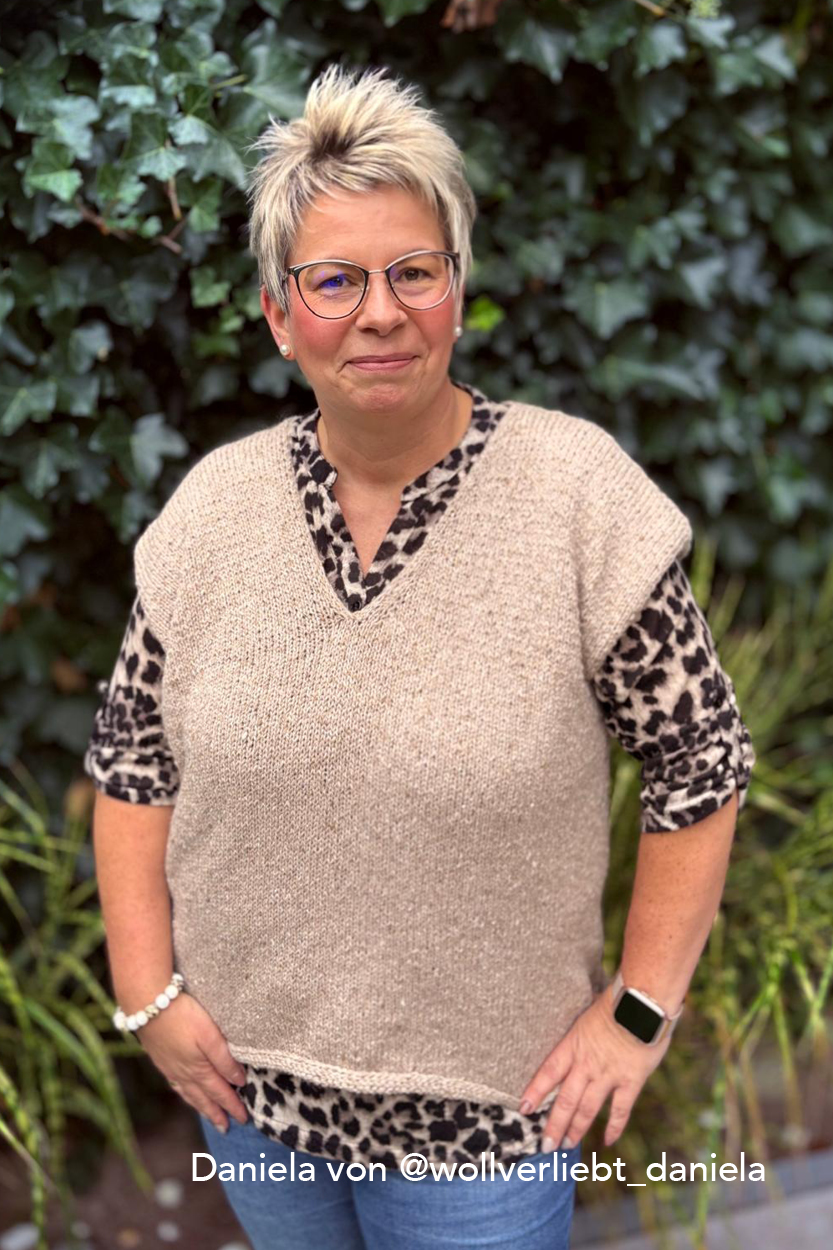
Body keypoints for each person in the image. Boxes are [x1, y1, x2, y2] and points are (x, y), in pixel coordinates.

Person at [85, 63, 756, 1250]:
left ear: (455, 288)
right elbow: (135, 761)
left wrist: (638, 1013)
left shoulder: (574, 495)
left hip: (490, 1124)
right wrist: (148, 994)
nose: (380, 312)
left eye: (413, 270)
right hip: (253, 1104)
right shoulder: (211, 513)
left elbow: (699, 756)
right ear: (278, 313)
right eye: (334, 279)